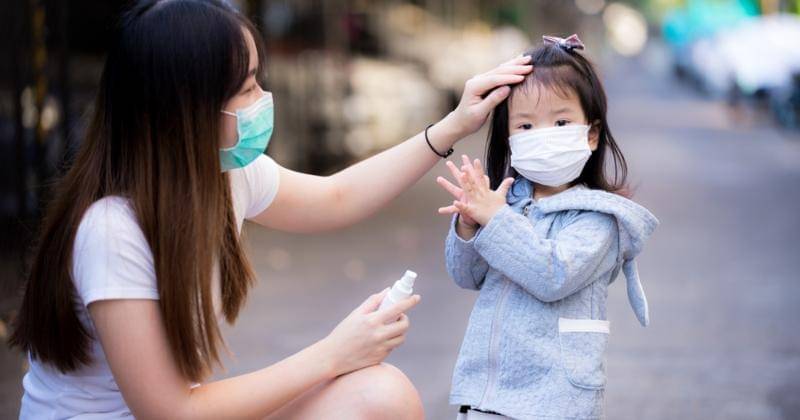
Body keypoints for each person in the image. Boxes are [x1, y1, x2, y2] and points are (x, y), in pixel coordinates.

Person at [7, 1, 533, 418]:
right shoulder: (112, 230)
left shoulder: (226, 177)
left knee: (382, 396)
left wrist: (453, 126)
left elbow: (337, 197)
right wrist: (334, 353)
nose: (264, 98)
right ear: (185, 111)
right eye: (247, 87)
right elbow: (167, 411)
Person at [436, 35, 659, 419]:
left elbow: (552, 274)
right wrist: (470, 226)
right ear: (508, 138)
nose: (543, 135)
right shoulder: (507, 202)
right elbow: (466, 275)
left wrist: (496, 219)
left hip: (553, 398)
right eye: (525, 125)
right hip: (488, 392)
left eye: (560, 121)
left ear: (590, 134)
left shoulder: (598, 218)